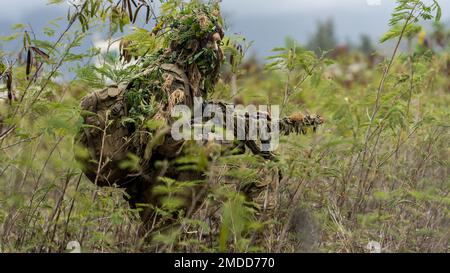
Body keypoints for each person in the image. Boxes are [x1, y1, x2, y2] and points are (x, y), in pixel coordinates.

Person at [75, 2, 323, 230]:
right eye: (212, 42)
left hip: (174, 180)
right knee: (255, 177)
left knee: (256, 171)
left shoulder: (187, 82)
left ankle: (242, 247)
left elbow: (213, 116)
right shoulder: (168, 80)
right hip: (158, 185)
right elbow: (166, 136)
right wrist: (214, 142)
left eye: (218, 44)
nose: (217, 51)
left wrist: (272, 124)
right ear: (192, 44)